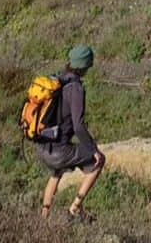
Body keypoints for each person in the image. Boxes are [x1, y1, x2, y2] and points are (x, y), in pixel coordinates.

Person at [37, 45, 106, 220]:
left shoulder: (57, 80)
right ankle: (74, 210)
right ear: (85, 66)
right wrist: (93, 149)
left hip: (44, 148)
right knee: (98, 161)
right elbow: (78, 126)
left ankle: (43, 218)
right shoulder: (75, 88)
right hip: (59, 152)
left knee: (56, 172)